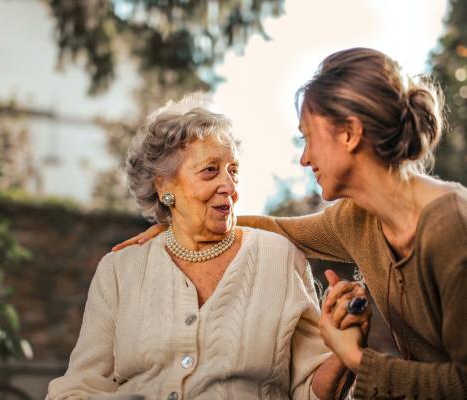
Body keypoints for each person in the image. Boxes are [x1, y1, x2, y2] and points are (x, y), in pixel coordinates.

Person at [115, 48, 467, 399]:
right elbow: (280, 228)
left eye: (308, 136)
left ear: (349, 134)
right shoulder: (356, 220)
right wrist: (183, 223)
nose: (305, 157)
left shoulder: (451, 227)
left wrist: (355, 357)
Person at [47, 95, 368, 399]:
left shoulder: (280, 258)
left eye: (234, 171)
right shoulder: (120, 270)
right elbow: (82, 386)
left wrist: (344, 353)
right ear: (164, 186)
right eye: (210, 171)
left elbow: (310, 391)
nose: (228, 186)